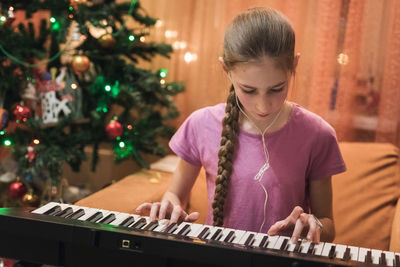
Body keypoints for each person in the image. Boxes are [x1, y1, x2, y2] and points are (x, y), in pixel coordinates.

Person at [136, 6, 346, 244]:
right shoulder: (200, 124)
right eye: (248, 90)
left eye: (277, 89)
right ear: (227, 70)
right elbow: (174, 194)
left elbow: (327, 224)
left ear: (294, 66)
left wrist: (314, 224)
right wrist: (169, 207)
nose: (263, 106)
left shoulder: (317, 134)